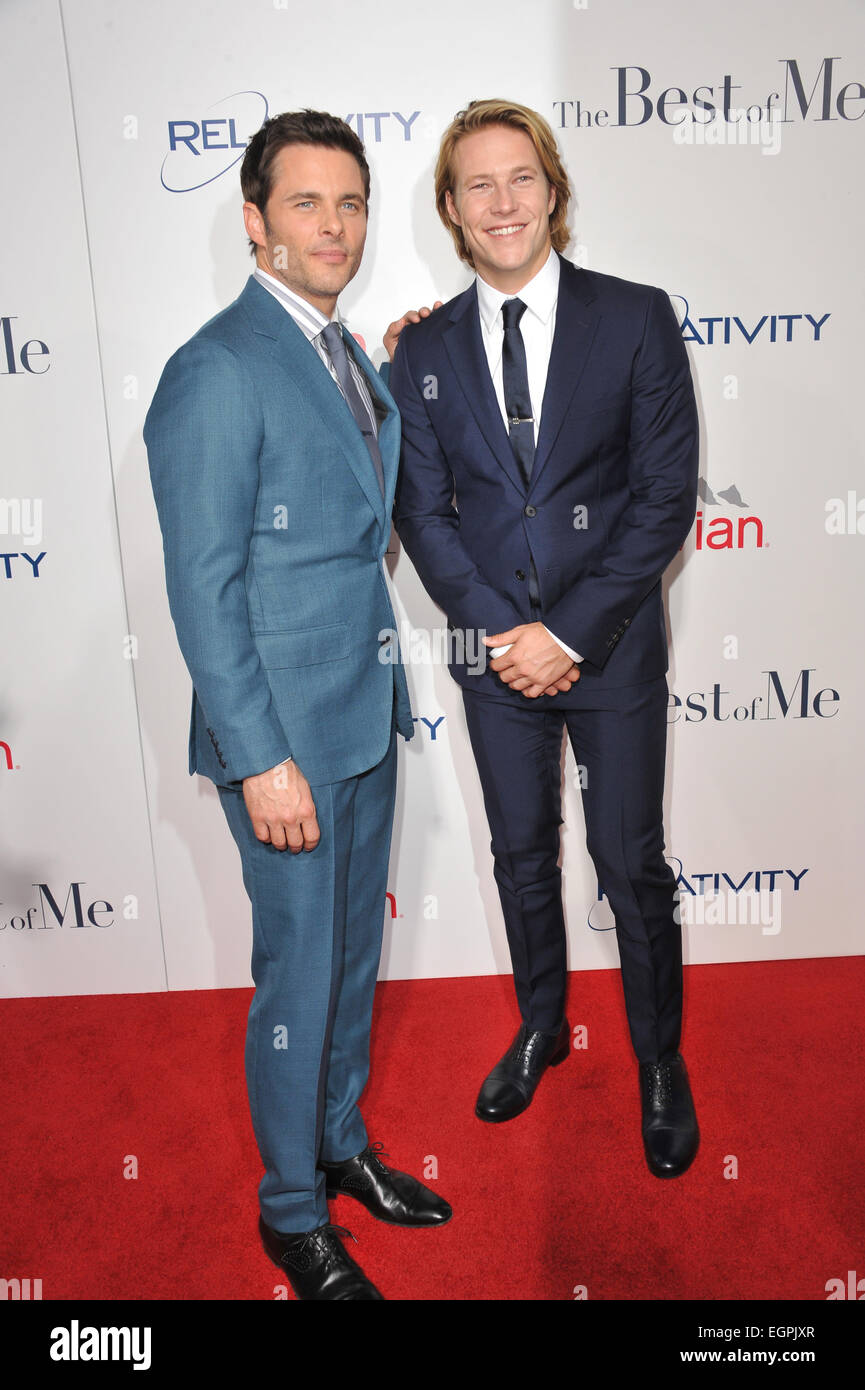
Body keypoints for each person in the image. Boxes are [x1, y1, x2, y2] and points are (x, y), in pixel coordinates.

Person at [145, 110, 451, 1302]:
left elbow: (356, 507)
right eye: (308, 204)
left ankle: (337, 1148)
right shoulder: (216, 367)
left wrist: (400, 367)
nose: (335, 226)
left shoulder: (345, 353)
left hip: (362, 714)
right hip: (282, 736)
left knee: (351, 958)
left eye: (352, 204)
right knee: (297, 971)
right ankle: (288, 1213)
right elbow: (203, 585)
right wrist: (258, 754)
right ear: (254, 220)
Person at [386, 98, 700, 1178]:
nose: (502, 200)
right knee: (520, 857)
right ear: (450, 210)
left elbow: (663, 503)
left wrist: (563, 633)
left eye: (520, 177)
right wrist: (499, 634)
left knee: (630, 865)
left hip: (609, 650)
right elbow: (423, 517)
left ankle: (658, 1059)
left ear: (553, 191)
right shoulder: (421, 348)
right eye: (478, 184)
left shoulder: (636, 318)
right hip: (487, 660)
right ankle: (539, 1028)